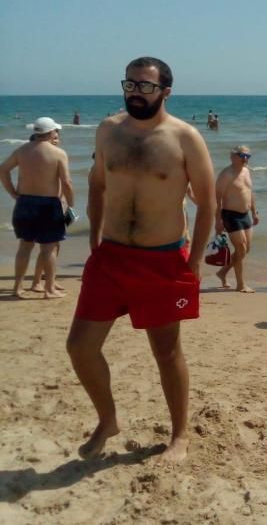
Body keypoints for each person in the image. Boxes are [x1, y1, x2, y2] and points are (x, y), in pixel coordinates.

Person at [66, 56, 215, 463]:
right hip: (111, 256)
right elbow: (97, 185)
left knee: (166, 352)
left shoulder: (184, 137)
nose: (136, 92)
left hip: (163, 260)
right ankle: (108, 419)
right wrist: (95, 241)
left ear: (166, 91)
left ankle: (180, 435)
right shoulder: (108, 130)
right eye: (130, 85)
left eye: (145, 86)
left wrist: (196, 260)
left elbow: (207, 203)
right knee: (79, 346)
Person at [0, 117, 74, 299]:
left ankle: (17, 287)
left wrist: (12, 193)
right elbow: (66, 182)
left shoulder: (22, 150)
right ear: (50, 133)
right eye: (55, 131)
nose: (57, 134)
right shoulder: (58, 153)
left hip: (25, 202)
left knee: (24, 247)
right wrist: (70, 203)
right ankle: (49, 289)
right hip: (48, 204)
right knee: (48, 249)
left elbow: (3, 170)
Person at [214, 146, 259, 293]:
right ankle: (240, 284)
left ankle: (223, 272)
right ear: (232, 156)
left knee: (246, 250)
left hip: (245, 214)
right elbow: (217, 199)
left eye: (248, 156)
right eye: (242, 155)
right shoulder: (226, 174)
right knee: (240, 248)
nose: (245, 158)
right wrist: (218, 221)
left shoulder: (246, 171)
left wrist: (254, 212)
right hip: (230, 215)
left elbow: (250, 193)